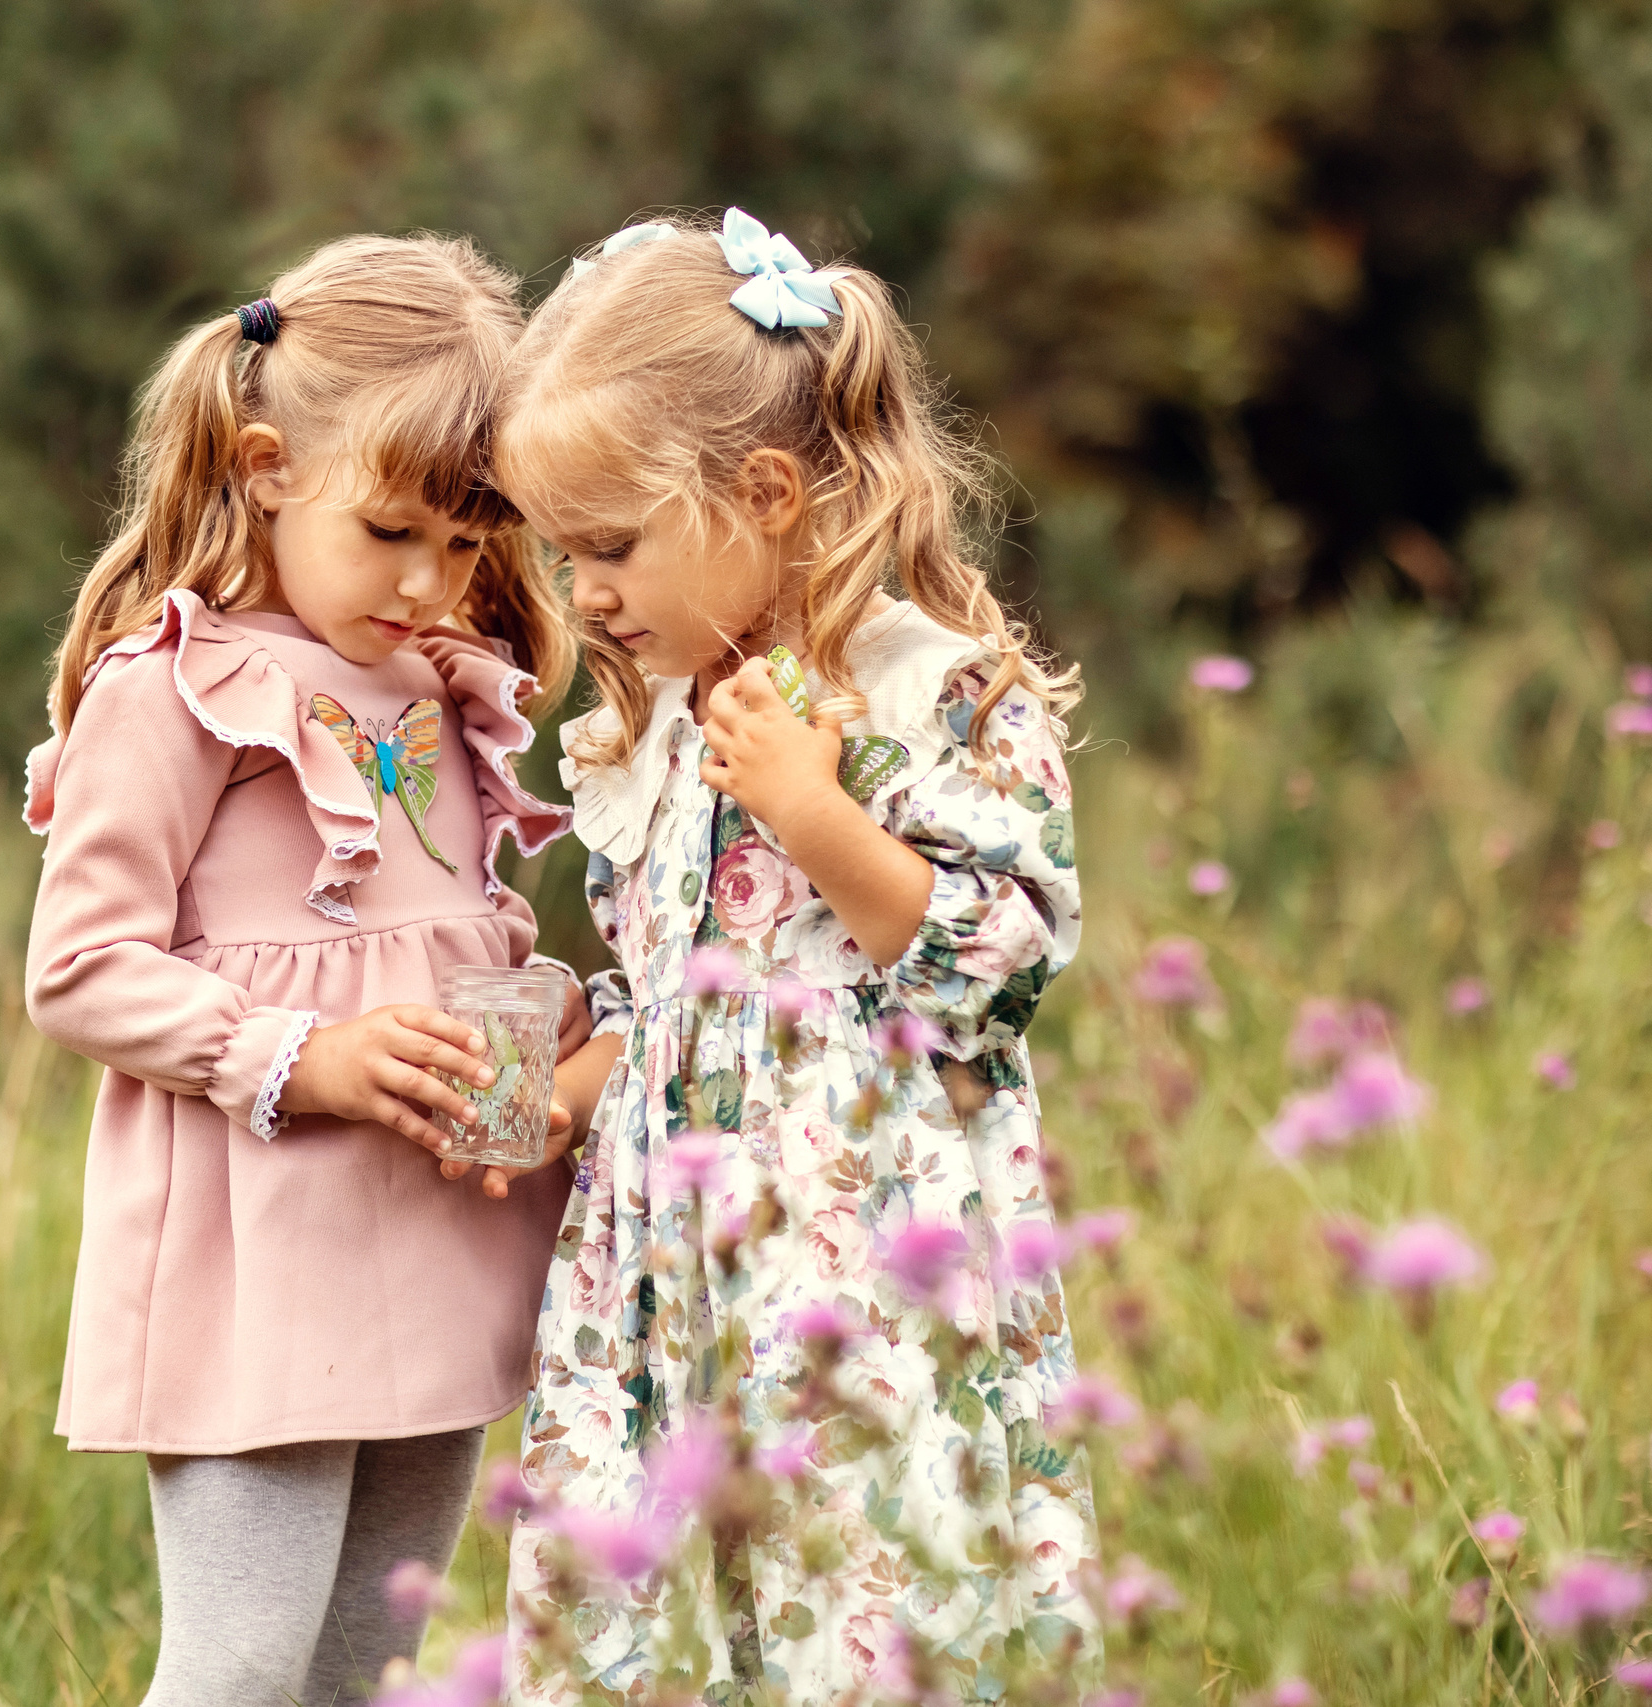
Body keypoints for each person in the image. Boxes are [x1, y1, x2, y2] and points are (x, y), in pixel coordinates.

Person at [493, 210, 1102, 1702]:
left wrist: (816, 811)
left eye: (612, 548)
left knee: (865, 1617)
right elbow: (664, 989)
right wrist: (566, 1090)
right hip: (665, 1289)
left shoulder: (932, 695)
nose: (587, 597)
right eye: (566, 555)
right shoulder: (655, 721)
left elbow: (999, 960)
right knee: (659, 1623)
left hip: (859, 1293)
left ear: (764, 494)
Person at [22, 232, 588, 1707]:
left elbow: (460, 924)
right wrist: (301, 1055)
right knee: (241, 1670)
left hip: (432, 1243)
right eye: (395, 531)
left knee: (363, 1670)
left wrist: (538, 1024)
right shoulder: (175, 690)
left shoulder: (439, 690)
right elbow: (80, 966)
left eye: (469, 545)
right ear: (268, 467)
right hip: (258, 1260)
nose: (431, 583)